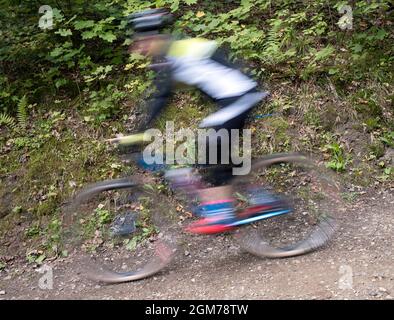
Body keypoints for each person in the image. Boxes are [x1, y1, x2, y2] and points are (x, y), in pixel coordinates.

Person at [128, 8, 269, 234]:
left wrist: (138, 134)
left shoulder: (177, 53)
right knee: (213, 151)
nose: (139, 49)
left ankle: (222, 214)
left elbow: (161, 98)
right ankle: (259, 195)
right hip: (234, 98)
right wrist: (139, 133)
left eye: (142, 42)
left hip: (241, 95)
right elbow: (161, 99)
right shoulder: (169, 55)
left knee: (210, 144)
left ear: (154, 38)